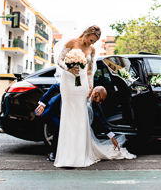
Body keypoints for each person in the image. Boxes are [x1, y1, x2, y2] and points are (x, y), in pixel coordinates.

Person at [54, 25, 135, 167]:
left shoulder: (92, 49)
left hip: (83, 84)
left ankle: (80, 155)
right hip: (68, 81)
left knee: (81, 117)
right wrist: (69, 68)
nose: (91, 43)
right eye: (91, 40)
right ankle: (66, 156)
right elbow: (59, 60)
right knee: (68, 116)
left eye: (94, 41)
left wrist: (91, 86)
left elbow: (90, 71)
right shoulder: (72, 43)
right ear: (86, 34)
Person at [35, 84, 119, 161]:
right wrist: (43, 103)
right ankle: (52, 153)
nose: (100, 102)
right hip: (53, 111)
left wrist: (111, 136)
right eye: (100, 100)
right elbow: (55, 87)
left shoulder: (91, 103)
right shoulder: (80, 90)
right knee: (61, 127)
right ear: (95, 93)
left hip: (65, 115)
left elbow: (99, 119)